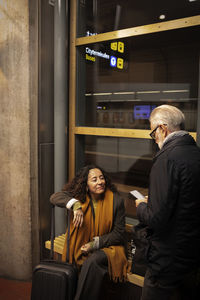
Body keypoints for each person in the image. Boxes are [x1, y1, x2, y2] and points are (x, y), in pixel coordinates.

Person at [135, 104, 200, 300]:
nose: (154, 139)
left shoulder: (166, 158)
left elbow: (156, 218)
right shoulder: (195, 153)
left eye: (153, 133)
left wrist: (142, 207)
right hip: (191, 255)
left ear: (162, 129)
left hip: (166, 259)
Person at [50, 164, 129, 300]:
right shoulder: (80, 197)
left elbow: (119, 233)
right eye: (94, 179)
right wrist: (75, 205)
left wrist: (94, 244)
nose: (100, 182)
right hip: (81, 243)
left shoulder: (116, 201)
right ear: (86, 185)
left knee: (92, 261)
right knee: (78, 259)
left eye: (101, 178)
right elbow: (54, 197)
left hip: (109, 247)